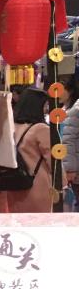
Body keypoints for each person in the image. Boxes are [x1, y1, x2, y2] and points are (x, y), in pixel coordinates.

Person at [3, 88, 53, 213]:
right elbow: (53, 162)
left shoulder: (11, 126)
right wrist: (64, 183)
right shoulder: (41, 129)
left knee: (19, 220)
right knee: (41, 221)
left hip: (14, 183)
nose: (46, 109)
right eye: (45, 105)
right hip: (38, 184)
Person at [61, 75, 79, 205]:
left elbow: (68, 139)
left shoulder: (74, 110)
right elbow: (67, 139)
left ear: (70, 91)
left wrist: (70, 169)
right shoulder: (69, 109)